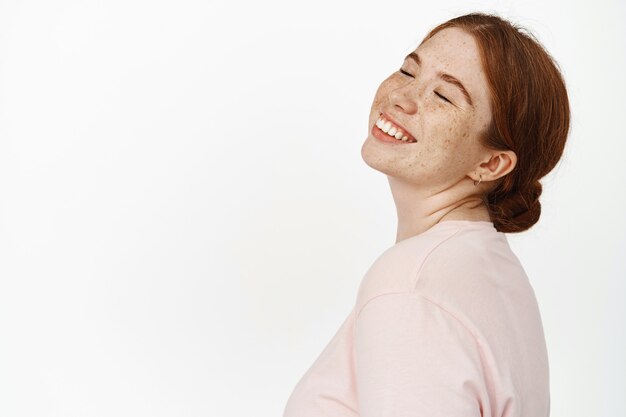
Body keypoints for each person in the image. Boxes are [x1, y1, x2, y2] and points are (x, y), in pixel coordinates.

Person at [283, 12, 570, 417]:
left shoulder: (411, 285)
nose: (402, 97)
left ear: (491, 165)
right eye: (408, 70)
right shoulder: (495, 272)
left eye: (444, 96)